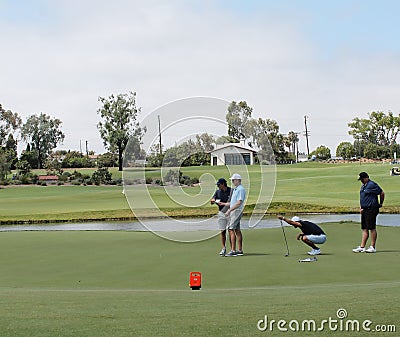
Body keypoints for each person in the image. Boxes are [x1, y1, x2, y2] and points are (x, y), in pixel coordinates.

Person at [353, 172, 385, 253]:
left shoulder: (372, 184)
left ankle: (372, 247)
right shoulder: (364, 186)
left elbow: (381, 193)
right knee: (364, 228)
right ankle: (362, 247)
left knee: (372, 227)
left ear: (367, 177)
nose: (362, 181)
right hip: (365, 209)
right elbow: (364, 197)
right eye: (361, 179)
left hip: (371, 209)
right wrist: (361, 207)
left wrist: (380, 203)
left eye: (362, 179)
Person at [225, 173, 246, 257]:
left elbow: (239, 202)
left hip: (236, 211)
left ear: (238, 180)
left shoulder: (240, 189)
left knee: (231, 229)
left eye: (233, 180)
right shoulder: (236, 189)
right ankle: (239, 250)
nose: (233, 181)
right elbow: (234, 202)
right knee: (237, 230)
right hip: (235, 210)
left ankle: (233, 250)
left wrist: (229, 210)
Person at [210, 178, 232, 256]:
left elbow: (233, 202)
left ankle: (232, 249)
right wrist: (213, 200)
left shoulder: (231, 191)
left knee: (231, 231)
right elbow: (213, 200)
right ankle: (223, 248)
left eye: (219, 185)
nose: (218, 186)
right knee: (222, 231)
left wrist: (223, 203)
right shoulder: (218, 192)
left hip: (230, 213)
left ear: (223, 184)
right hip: (221, 213)